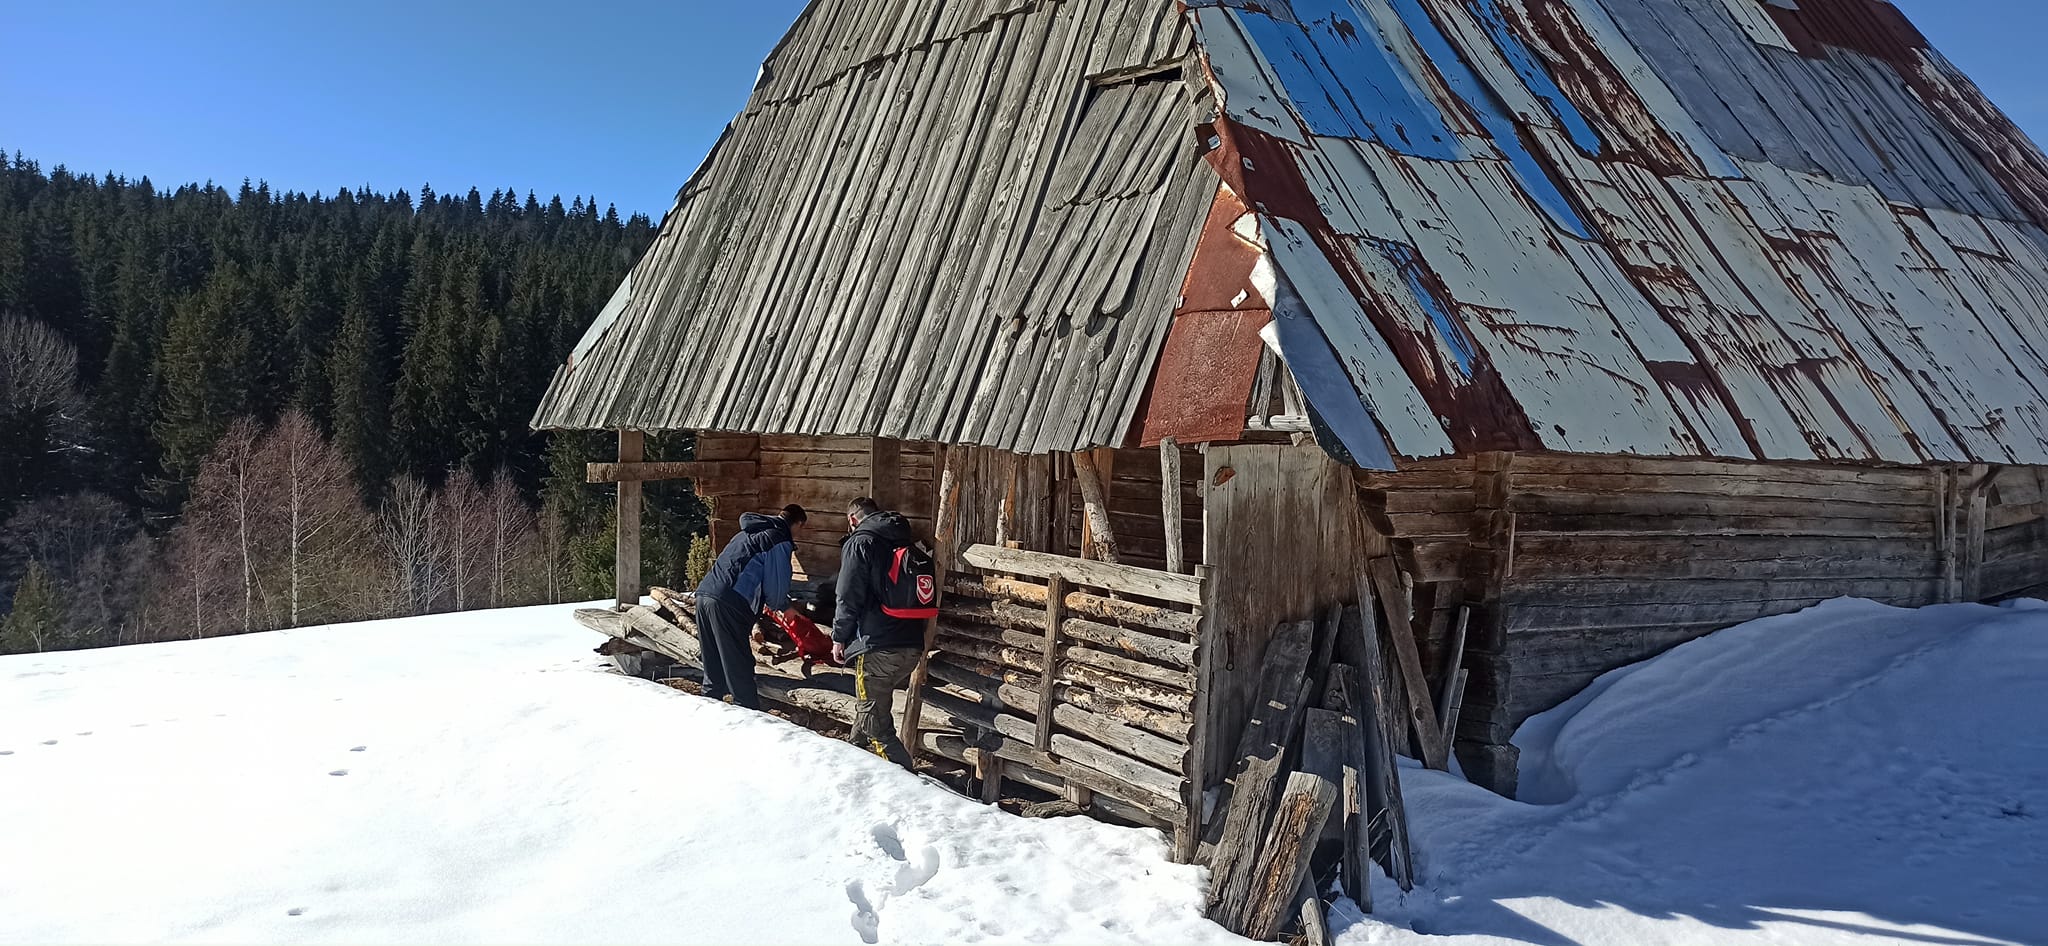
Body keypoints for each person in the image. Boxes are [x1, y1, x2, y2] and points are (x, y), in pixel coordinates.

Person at [831, 496, 927, 768]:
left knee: (876, 727)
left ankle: (908, 785)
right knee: (869, 707)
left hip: (878, 645)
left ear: (852, 519)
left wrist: (839, 637)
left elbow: (847, 595)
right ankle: (851, 762)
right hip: (911, 643)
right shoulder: (902, 539)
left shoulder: (859, 542)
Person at [693, 504, 806, 709]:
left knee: (713, 663)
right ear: (798, 524)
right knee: (739, 664)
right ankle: (746, 713)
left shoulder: (748, 531)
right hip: (729, 601)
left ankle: (709, 709)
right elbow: (776, 586)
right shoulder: (778, 538)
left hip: (704, 595)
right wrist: (784, 606)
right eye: (801, 529)